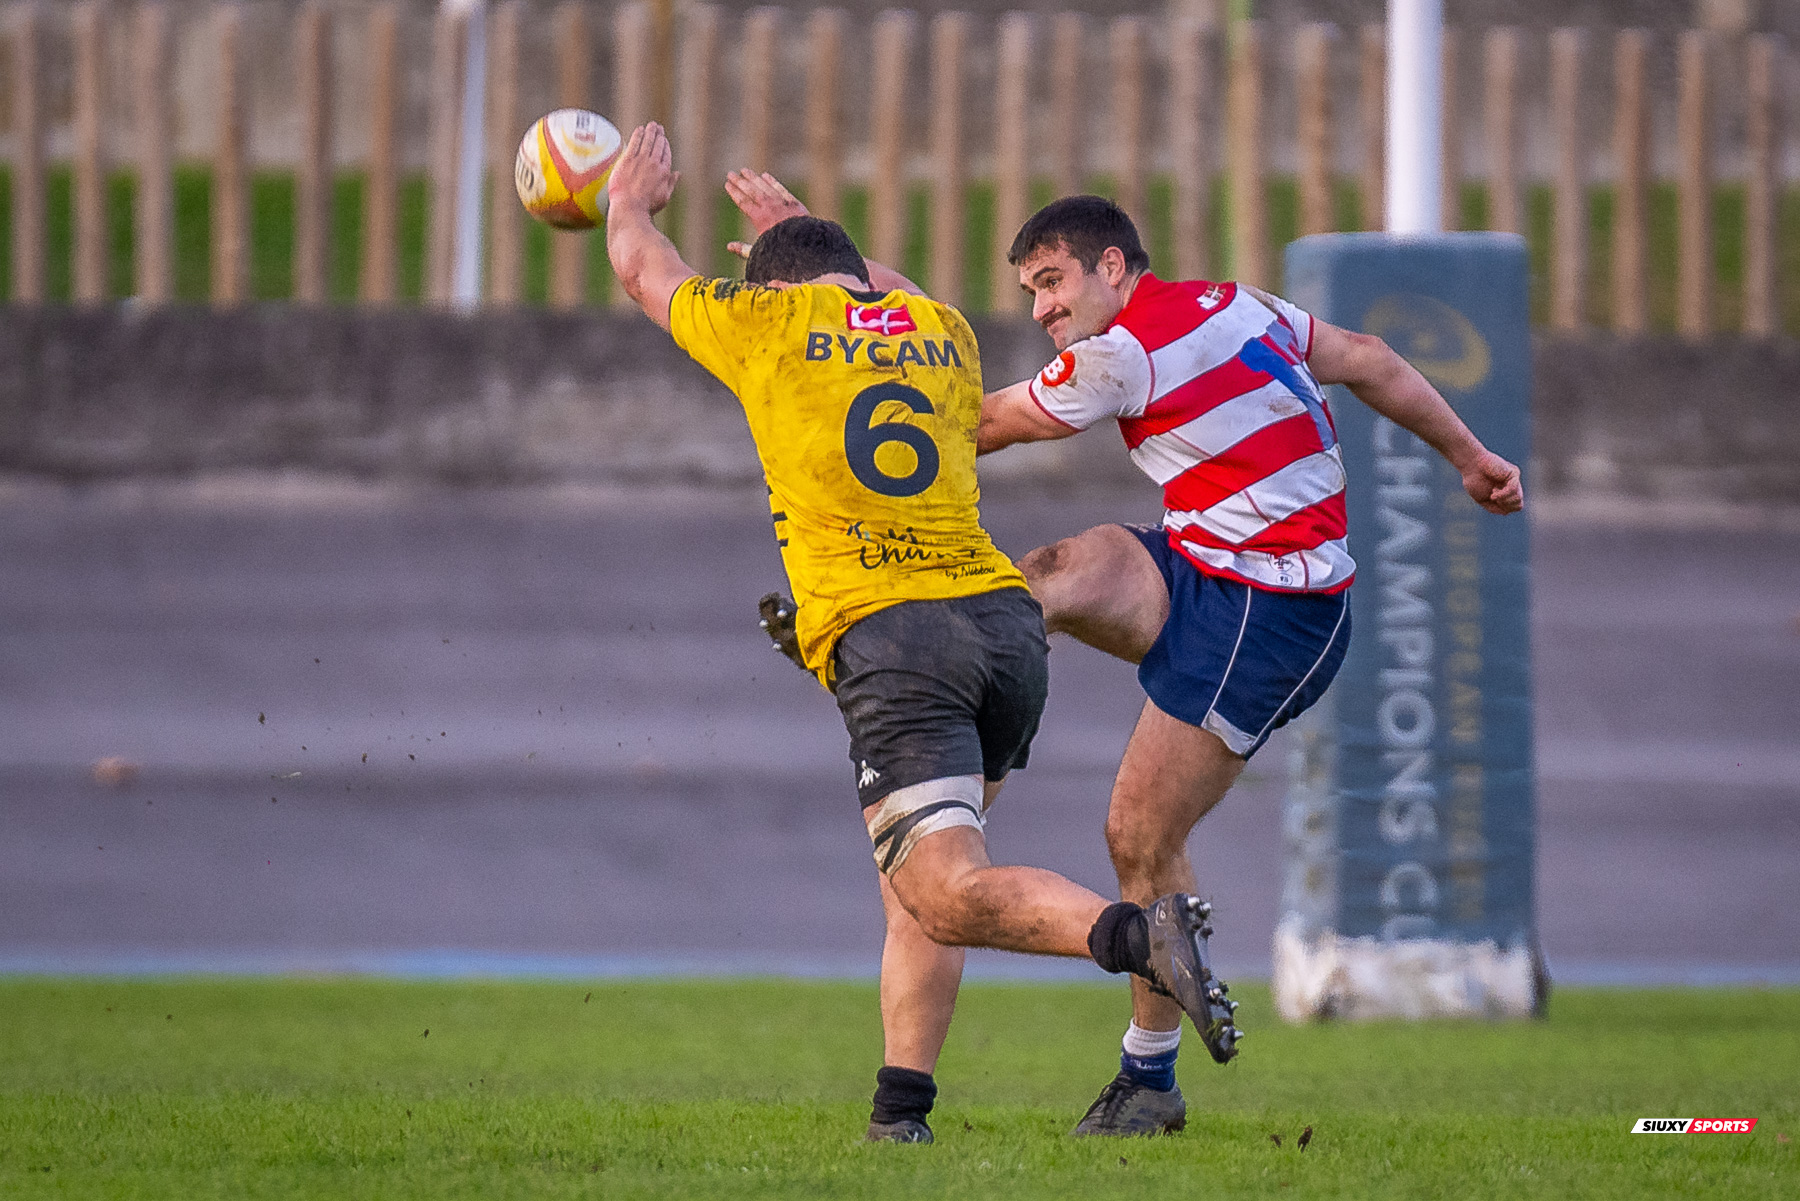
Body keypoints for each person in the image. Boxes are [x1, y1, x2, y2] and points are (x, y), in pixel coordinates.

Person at [603, 126, 1239, 1145]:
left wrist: (626, 201)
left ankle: (1135, 934)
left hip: (896, 637)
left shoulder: (763, 327)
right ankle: (901, 1114)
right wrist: (806, 235)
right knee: (925, 881)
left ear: (772, 290)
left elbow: (644, 269)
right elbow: (883, 291)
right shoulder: (945, 333)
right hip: (1003, 630)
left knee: (946, 890)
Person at [975, 195, 1526, 1135]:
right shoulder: (1239, 304)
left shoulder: (1122, 353)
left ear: (1115, 267)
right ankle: (937, 663)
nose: (1041, 311)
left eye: (1053, 283)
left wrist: (827, 415)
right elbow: (1375, 361)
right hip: (1204, 566)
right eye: (1031, 291)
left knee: (1137, 833)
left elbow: (979, 427)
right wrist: (1471, 456)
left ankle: (1149, 1081)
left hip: (1275, 611)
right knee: (1057, 573)